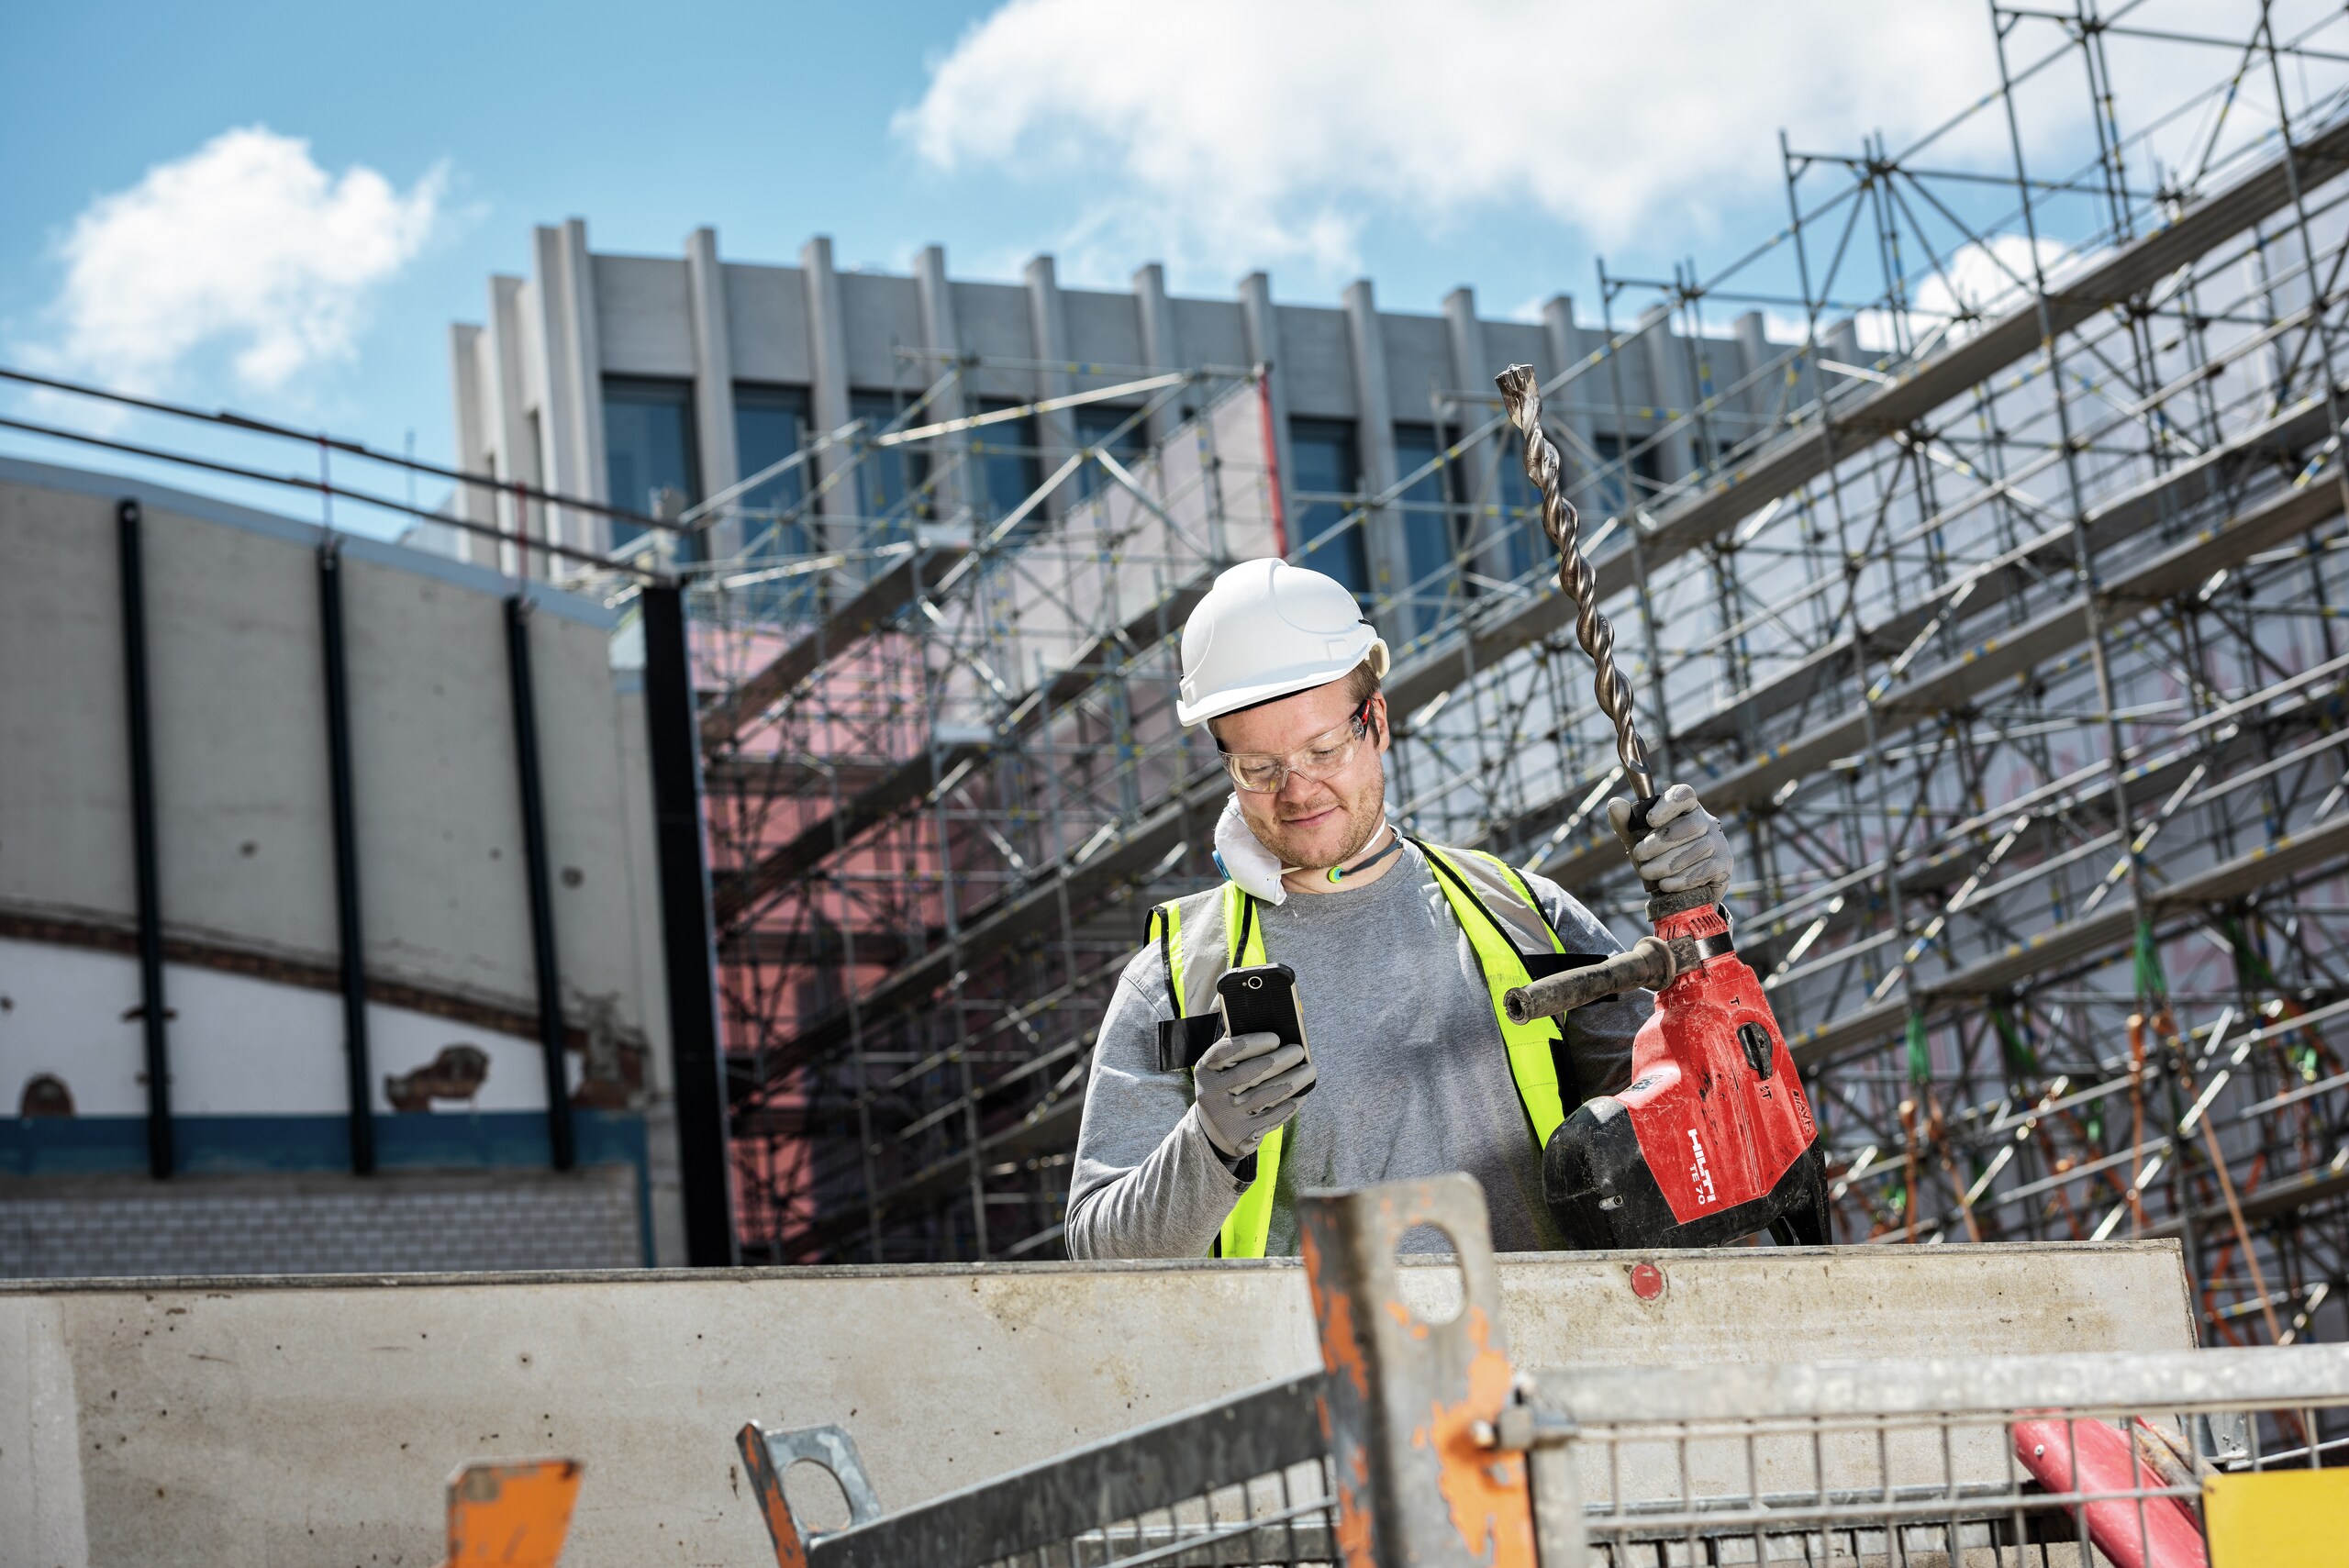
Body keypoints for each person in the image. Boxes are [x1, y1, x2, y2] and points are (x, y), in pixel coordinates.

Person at [1064, 559, 1736, 1259]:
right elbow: (1099, 1252)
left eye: (1323, 748)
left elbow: (1702, 1131)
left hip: (1540, 1358)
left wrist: (1700, 931)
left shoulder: (1521, 916)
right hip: (1315, 1366)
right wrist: (1208, 1144)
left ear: (1376, 721)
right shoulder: (1173, 981)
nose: (1297, 790)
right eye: (1259, 770)